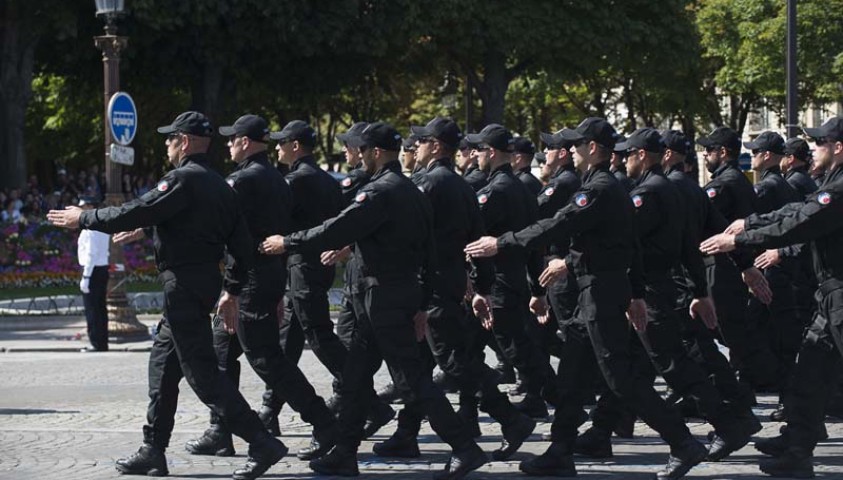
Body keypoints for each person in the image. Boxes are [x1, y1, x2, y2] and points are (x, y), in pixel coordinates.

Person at [46, 111, 288, 480]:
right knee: (162, 366)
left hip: (184, 287)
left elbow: (138, 209)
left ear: (185, 141)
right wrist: (233, 290)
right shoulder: (221, 186)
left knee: (203, 374)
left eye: (170, 138)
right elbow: (241, 245)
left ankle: (261, 441)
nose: (166, 144)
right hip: (201, 282)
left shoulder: (181, 179)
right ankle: (153, 449)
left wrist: (85, 218)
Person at [466, 117, 708, 480]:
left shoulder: (598, 189)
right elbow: (634, 247)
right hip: (596, 291)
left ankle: (682, 441)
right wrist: (637, 294)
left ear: (591, 148)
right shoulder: (609, 186)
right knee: (573, 375)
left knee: (619, 377)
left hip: (600, 291)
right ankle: (560, 450)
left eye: (576, 145)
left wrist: (500, 242)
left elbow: (557, 224)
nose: (571, 152)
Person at [258, 122, 487, 480]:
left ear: (375, 153)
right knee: (355, 376)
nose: (358, 157)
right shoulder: (411, 190)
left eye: (361, 151)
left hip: (382, 296)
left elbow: (337, 229)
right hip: (394, 295)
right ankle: (345, 454)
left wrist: (288, 243)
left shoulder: (379, 192)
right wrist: (422, 303)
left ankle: (464, 447)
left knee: (412, 380)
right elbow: (430, 253)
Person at [576, 128, 755, 462]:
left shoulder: (649, 193)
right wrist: (709, 283)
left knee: (669, 363)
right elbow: (699, 237)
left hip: (651, 290)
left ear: (643, 154)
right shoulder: (681, 188)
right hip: (662, 288)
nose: (622, 159)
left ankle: (727, 424)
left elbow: (631, 243)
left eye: (628, 153)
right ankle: (602, 430)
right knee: (633, 365)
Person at [372, 116, 534, 461]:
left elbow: (409, 234)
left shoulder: (427, 183)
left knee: (454, 362)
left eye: (420, 142)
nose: (413, 148)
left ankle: (511, 418)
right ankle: (406, 432)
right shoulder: (462, 185)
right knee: (423, 362)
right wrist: (480, 286)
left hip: (431, 285)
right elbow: (477, 239)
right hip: (451, 281)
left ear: (434, 146)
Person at [182, 114, 337, 461]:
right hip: (266, 276)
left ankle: (324, 421)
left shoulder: (244, 181)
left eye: (232, 138)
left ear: (246, 142)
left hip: (248, 280)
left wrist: (231, 289)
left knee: (266, 359)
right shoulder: (279, 180)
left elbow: (236, 237)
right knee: (223, 353)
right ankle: (221, 430)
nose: (228, 145)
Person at [700, 116, 843, 479]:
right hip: (830, 297)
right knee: (809, 373)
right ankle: (797, 447)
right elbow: (798, 210)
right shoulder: (831, 183)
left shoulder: (840, 188)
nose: (814, 149)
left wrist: (739, 240)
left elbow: (800, 224)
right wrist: (750, 223)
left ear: (838, 147)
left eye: (821, 143)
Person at [468, 123, 551, 419]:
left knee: (512, 343)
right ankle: (534, 394)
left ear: (492, 152)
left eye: (479, 150)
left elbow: (475, 237)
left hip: (498, 278)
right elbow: (534, 242)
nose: (475, 155)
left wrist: (478, 285)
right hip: (514, 277)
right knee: (503, 340)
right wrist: (536, 287)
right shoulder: (520, 187)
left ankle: (551, 392)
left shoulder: (497, 190)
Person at [269, 120, 348, 424]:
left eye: (281, 142)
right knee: (288, 341)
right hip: (317, 266)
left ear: (296, 146)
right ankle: (271, 407)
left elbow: (282, 222)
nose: (277, 147)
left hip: (301, 265)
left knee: (319, 337)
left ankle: (363, 396)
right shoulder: (328, 180)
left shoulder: (296, 180)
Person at [698, 126, 779, 391]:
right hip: (736, 265)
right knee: (731, 330)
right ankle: (747, 385)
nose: (705, 155)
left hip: (725, 266)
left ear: (722, 152)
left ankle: (762, 380)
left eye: (709, 150)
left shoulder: (723, 184)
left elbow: (703, 225)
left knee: (726, 330)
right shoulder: (739, 179)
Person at [77, 196, 110, 352]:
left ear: (90, 207)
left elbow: (90, 253)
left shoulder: (89, 228)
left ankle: (96, 342)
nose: (81, 210)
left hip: (92, 270)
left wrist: (86, 276)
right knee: (100, 308)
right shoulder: (102, 225)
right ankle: (102, 342)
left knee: (92, 309)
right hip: (102, 268)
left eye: (84, 207)